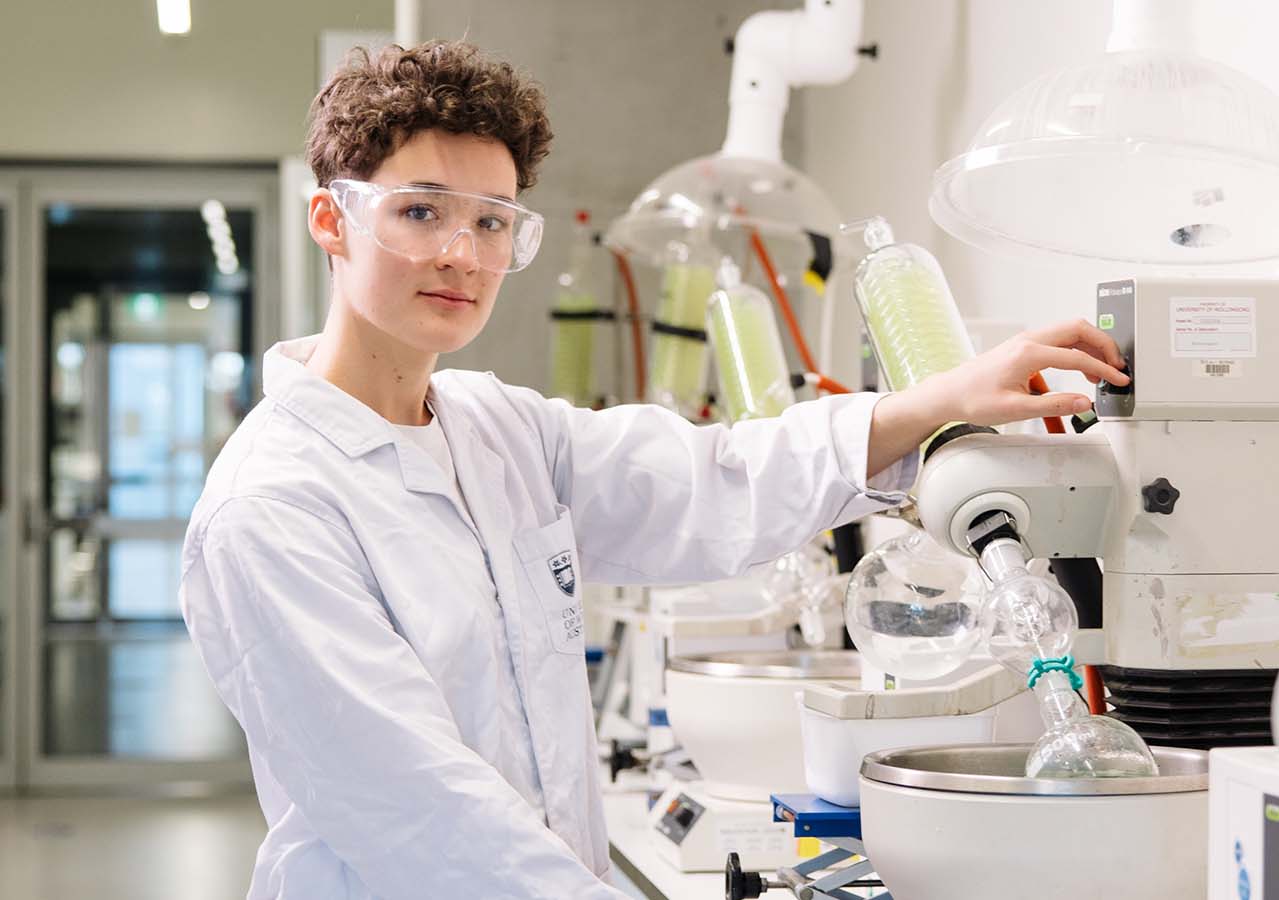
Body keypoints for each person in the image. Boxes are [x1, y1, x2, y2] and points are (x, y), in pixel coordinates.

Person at [179, 40, 1129, 900]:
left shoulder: (496, 429)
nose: (462, 254)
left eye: (493, 220)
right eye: (419, 212)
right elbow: (419, 808)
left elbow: (707, 478)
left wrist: (940, 398)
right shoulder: (273, 506)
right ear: (331, 221)